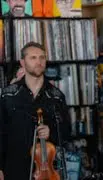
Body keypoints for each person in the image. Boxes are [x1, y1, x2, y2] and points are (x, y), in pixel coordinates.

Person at [0, 42, 71, 180]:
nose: (38, 62)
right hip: (15, 167)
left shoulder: (56, 96)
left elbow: (67, 131)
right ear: (22, 62)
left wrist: (51, 132)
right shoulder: (7, 95)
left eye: (42, 57)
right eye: (33, 58)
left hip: (46, 169)